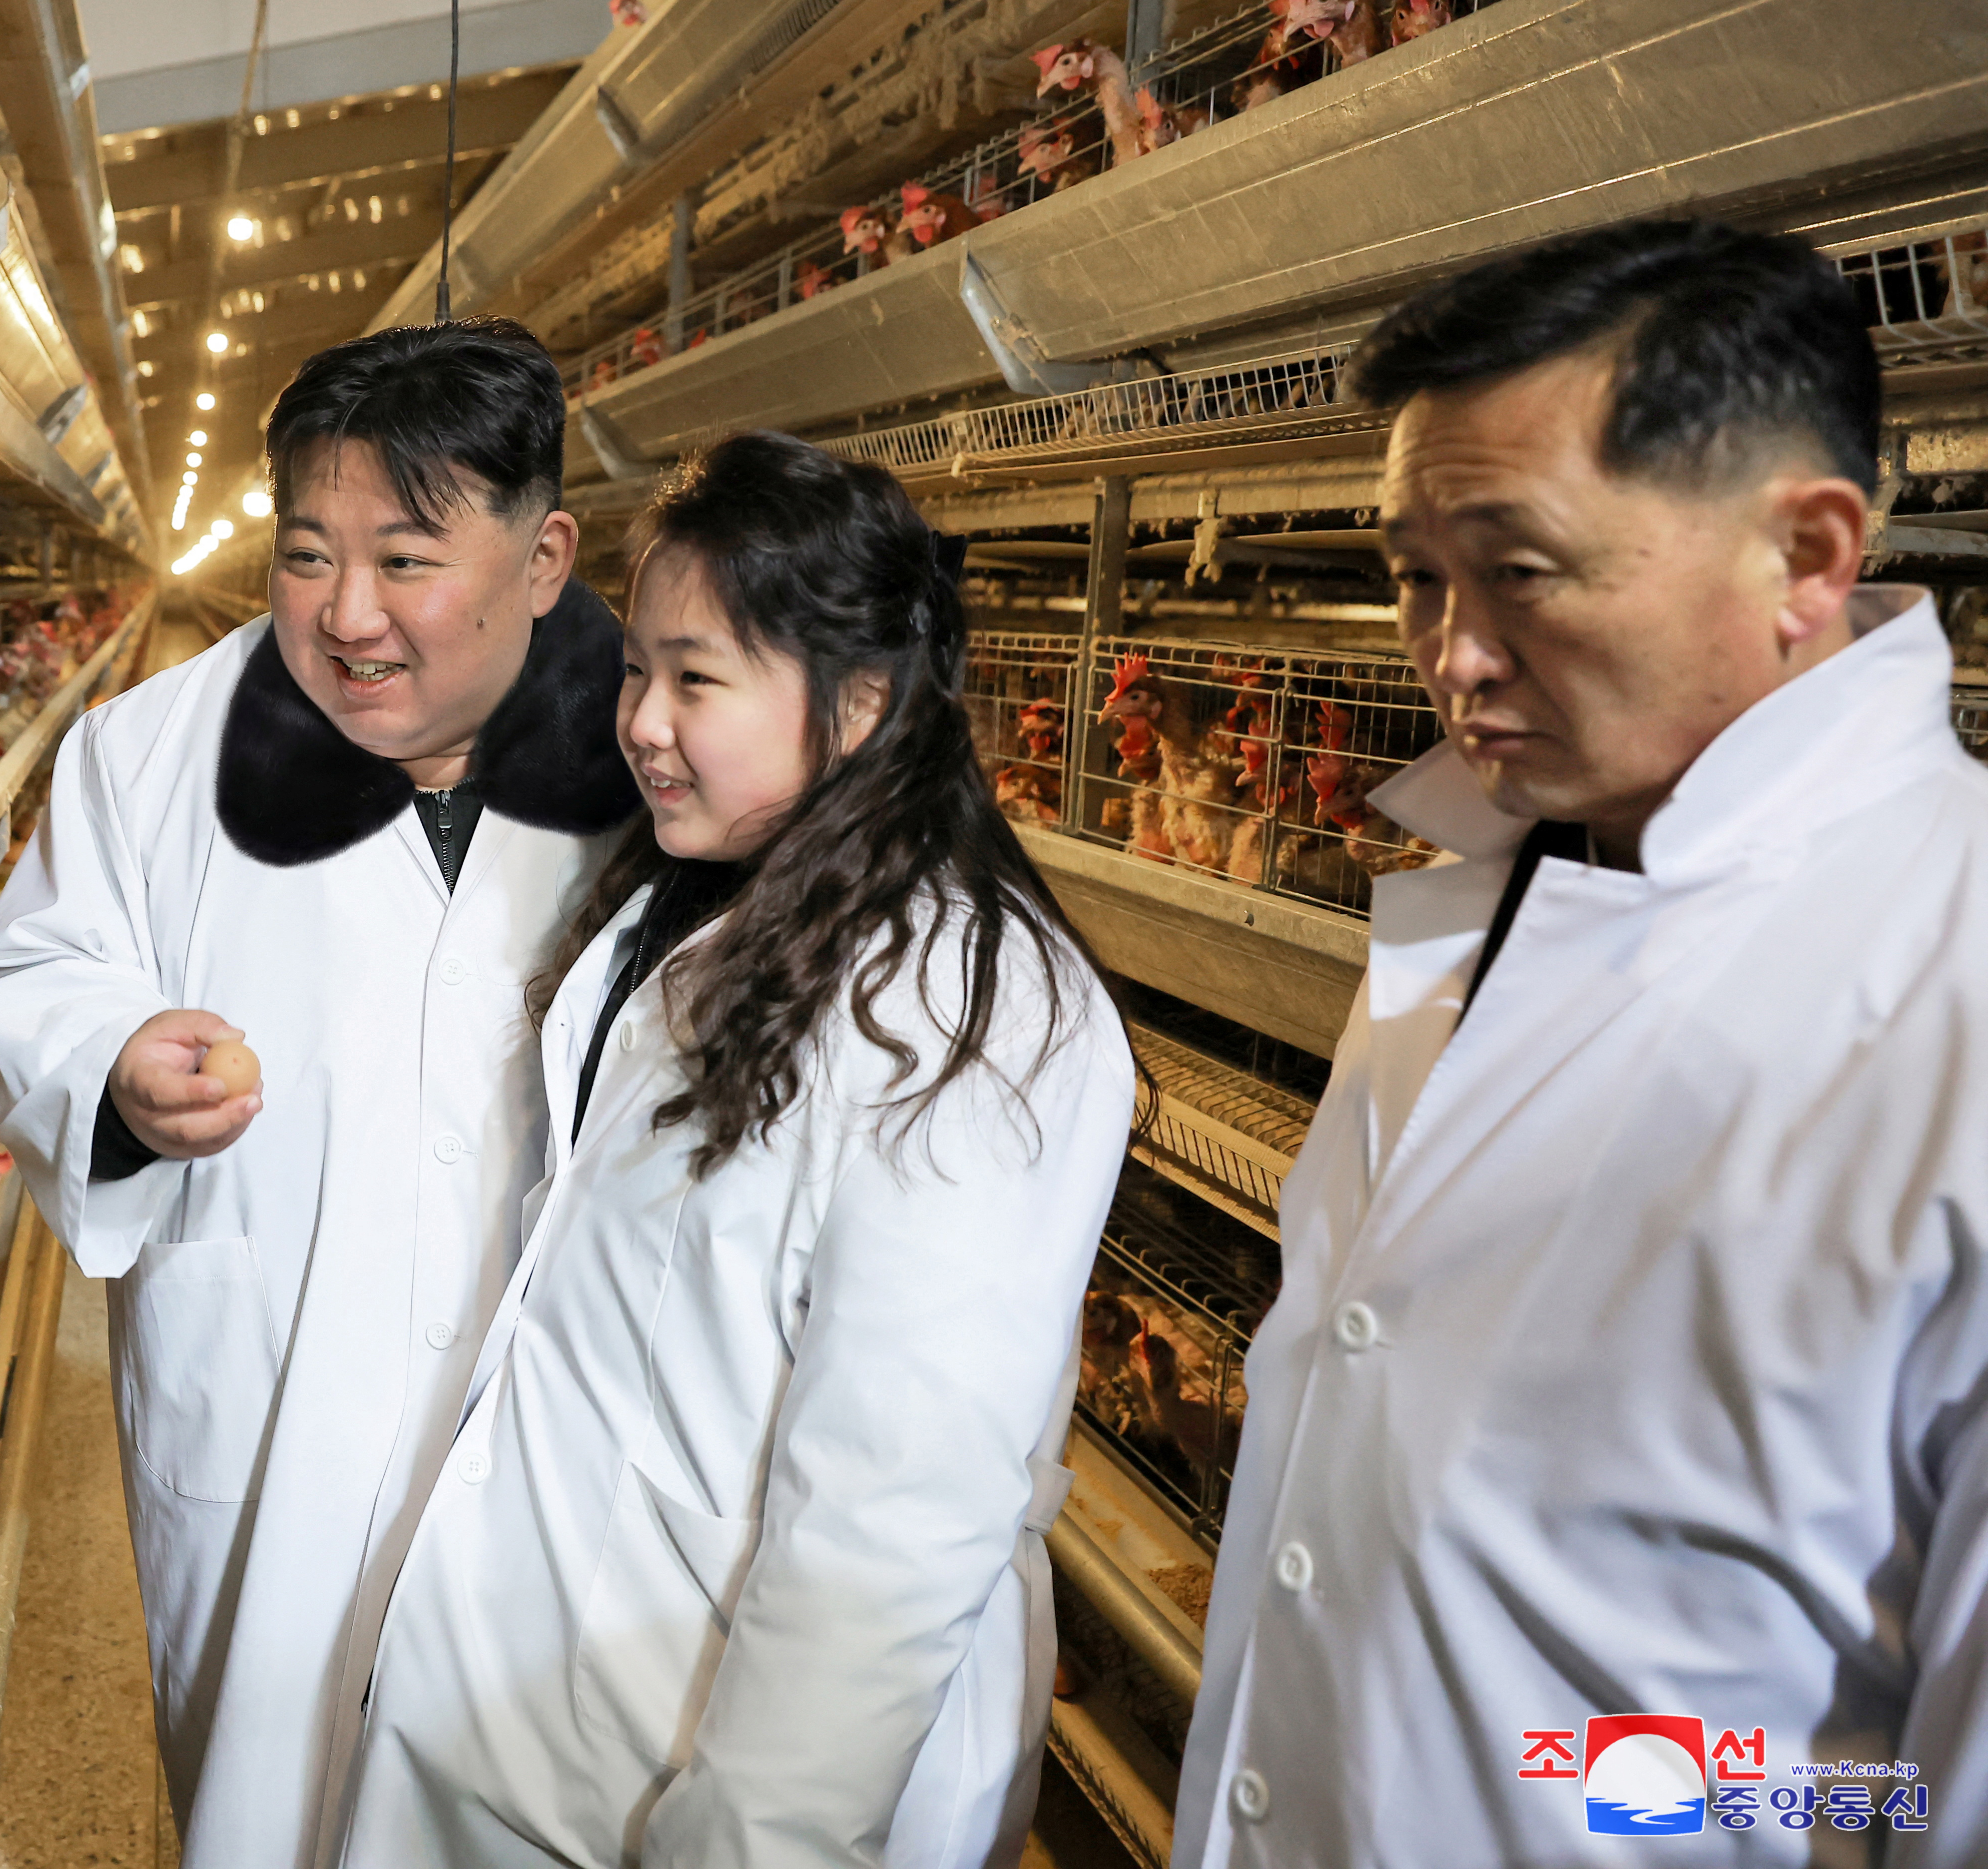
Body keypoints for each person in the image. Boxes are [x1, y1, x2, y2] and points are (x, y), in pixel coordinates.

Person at [1173, 218, 1988, 1864]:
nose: (1453, 658)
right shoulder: (1498, 873)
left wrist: (1608, 1793)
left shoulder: (1949, 991)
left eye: (1521, 572)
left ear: (1811, 557)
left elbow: (1932, 1797)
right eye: (1416, 576)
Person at [343, 431, 1136, 1868]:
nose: (641, 719)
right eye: (638, 670)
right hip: (537, 1710)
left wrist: (749, 1844)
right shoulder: (696, 906)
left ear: (864, 702)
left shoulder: (967, 1013)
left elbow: (888, 1524)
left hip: (685, 1763)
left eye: (694, 679)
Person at [0, 320, 637, 1868]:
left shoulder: (651, 759)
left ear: (544, 559)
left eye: (407, 560)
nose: (347, 617)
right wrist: (118, 1071)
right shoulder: (149, 752)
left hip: (558, 1445)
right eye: (307, 555)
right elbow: (29, 983)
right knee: (277, 1807)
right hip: (274, 1424)